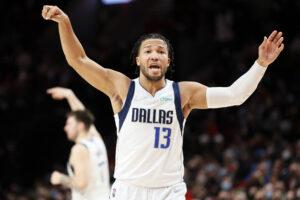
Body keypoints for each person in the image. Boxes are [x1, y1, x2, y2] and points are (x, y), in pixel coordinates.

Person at [41, 5, 284, 200]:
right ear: (138, 60)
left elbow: (235, 96)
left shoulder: (184, 93)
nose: (154, 55)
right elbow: (79, 60)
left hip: (169, 192)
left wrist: (260, 64)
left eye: (160, 51)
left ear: (167, 61)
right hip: (128, 190)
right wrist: (65, 23)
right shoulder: (122, 88)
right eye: (148, 51)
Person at [47, 87, 110, 200]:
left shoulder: (79, 149)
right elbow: (84, 117)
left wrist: (60, 178)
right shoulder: (97, 140)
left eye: (69, 124)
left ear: (80, 126)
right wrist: (69, 95)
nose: (65, 128)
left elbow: (81, 183)